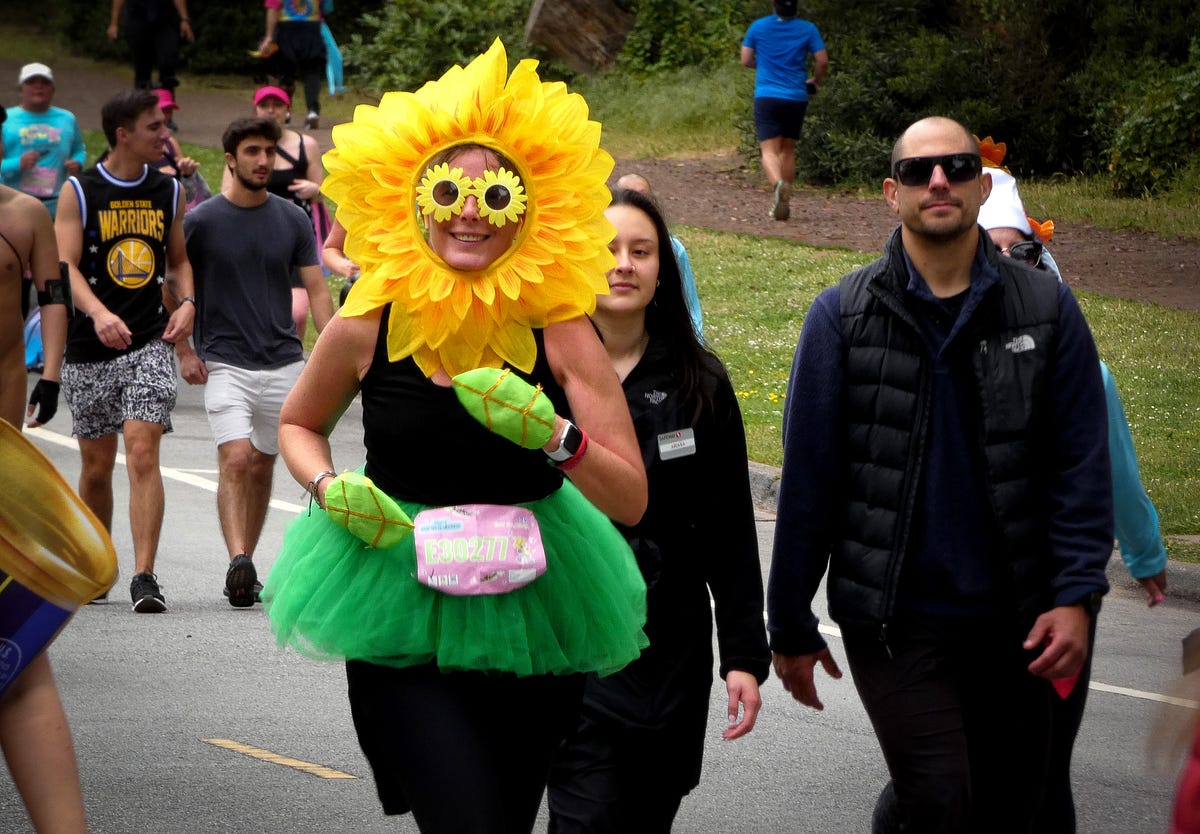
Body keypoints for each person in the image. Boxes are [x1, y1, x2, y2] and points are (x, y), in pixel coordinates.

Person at [262, 40, 650, 832]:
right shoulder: (370, 317)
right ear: (412, 198)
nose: (470, 209)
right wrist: (328, 486)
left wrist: (555, 437)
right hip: (397, 594)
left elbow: (632, 498)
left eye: (495, 192)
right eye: (449, 188)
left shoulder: (561, 328)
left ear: (531, 205)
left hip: (540, 598)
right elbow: (299, 423)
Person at [767, 116, 1113, 833]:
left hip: (1026, 615)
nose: (939, 181)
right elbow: (809, 483)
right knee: (940, 795)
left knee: (1021, 803)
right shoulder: (840, 317)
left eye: (956, 167)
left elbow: (1080, 462)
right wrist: (790, 620)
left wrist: (1077, 594)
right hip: (895, 620)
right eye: (920, 172)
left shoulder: (1047, 309)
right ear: (891, 194)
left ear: (981, 187)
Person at [545, 187, 769, 832]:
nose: (622, 264)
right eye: (605, 250)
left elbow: (728, 530)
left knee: (647, 812)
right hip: (568, 637)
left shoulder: (702, 382)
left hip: (668, 643)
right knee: (584, 816)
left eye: (641, 251)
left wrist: (744, 658)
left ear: (662, 269)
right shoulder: (536, 374)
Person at [973, 152, 1170, 834]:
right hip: (960, 601)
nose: (1008, 264)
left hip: (1057, 598)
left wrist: (1144, 554)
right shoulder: (936, 357)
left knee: (1044, 763)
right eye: (989, 250)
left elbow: (1113, 469)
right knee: (954, 772)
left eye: (1021, 251)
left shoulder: (1084, 365)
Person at [178, 115, 333, 606]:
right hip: (225, 362)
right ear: (230, 159)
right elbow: (175, 284)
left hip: (284, 361)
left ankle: (248, 565)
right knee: (237, 457)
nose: (264, 161)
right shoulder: (201, 222)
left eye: (269, 151)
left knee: (265, 463)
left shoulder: (291, 218)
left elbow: (317, 288)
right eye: (252, 152)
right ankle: (238, 559)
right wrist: (183, 349)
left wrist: (332, 352)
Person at [55, 89, 196, 613]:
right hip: (90, 345)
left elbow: (178, 259)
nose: (165, 135)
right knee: (96, 466)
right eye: (155, 127)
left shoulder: (168, 191)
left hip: (149, 340)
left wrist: (189, 303)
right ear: (123, 134)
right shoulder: (80, 190)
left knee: (141, 450)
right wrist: (96, 312)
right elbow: (65, 266)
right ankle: (98, 566)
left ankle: (144, 575)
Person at [0, 171, 86, 834]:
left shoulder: (24, 213)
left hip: (2, 449)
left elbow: (51, 294)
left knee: (17, 652)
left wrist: (51, 373)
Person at [224, 86, 326, 338]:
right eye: (264, 105)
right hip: (252, 235)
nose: (271, 111)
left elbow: (324, 192)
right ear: (255, 110)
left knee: (297, 313)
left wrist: (314, 189)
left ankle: (292, 362)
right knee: (254, 309)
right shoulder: (241, 147)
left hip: (295, 235)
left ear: (288, 110)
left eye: (277, 105)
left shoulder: (306, 144)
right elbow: (226, 193)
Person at [740, 0, 828, 222]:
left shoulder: (758, 27)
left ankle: (778, 185)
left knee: (769, 150)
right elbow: (822, 61)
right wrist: (815, 81)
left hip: (767, 95)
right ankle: (784, 200)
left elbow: (746, 59)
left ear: (772, 3)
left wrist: (763, 64)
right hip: (796, 96)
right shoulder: (807, 28)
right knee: (788, 150)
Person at [614, 172, 705, 337]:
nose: (625, 265)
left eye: (640, 252)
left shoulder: (674, 249)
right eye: (610, 251)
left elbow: (689, 306)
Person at [2, 63, 87, 220]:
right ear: (21, 89)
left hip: (56, 203)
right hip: (15, 203)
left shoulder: (67, 118)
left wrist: (77, 162)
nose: (38, 87)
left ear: (53, 90)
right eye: (32, 82)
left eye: (45, 83)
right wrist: (17, 163)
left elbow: (79, 148)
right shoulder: (6, 119)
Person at [107, 0, 195, 124]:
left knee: (168, 64)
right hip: (138, 18)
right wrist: (114, 23)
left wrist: (184, 19)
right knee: (142, 70)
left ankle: (166, 115)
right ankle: (142, 116)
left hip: (166, 19)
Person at [258, 0, 327, 129]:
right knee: (312, 71)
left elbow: (273, 9)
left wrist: (269, 36)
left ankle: (286, 112)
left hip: (287, 29)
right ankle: (312, 111)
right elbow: (326, 8)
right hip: (312, 29)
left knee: (285, 73)